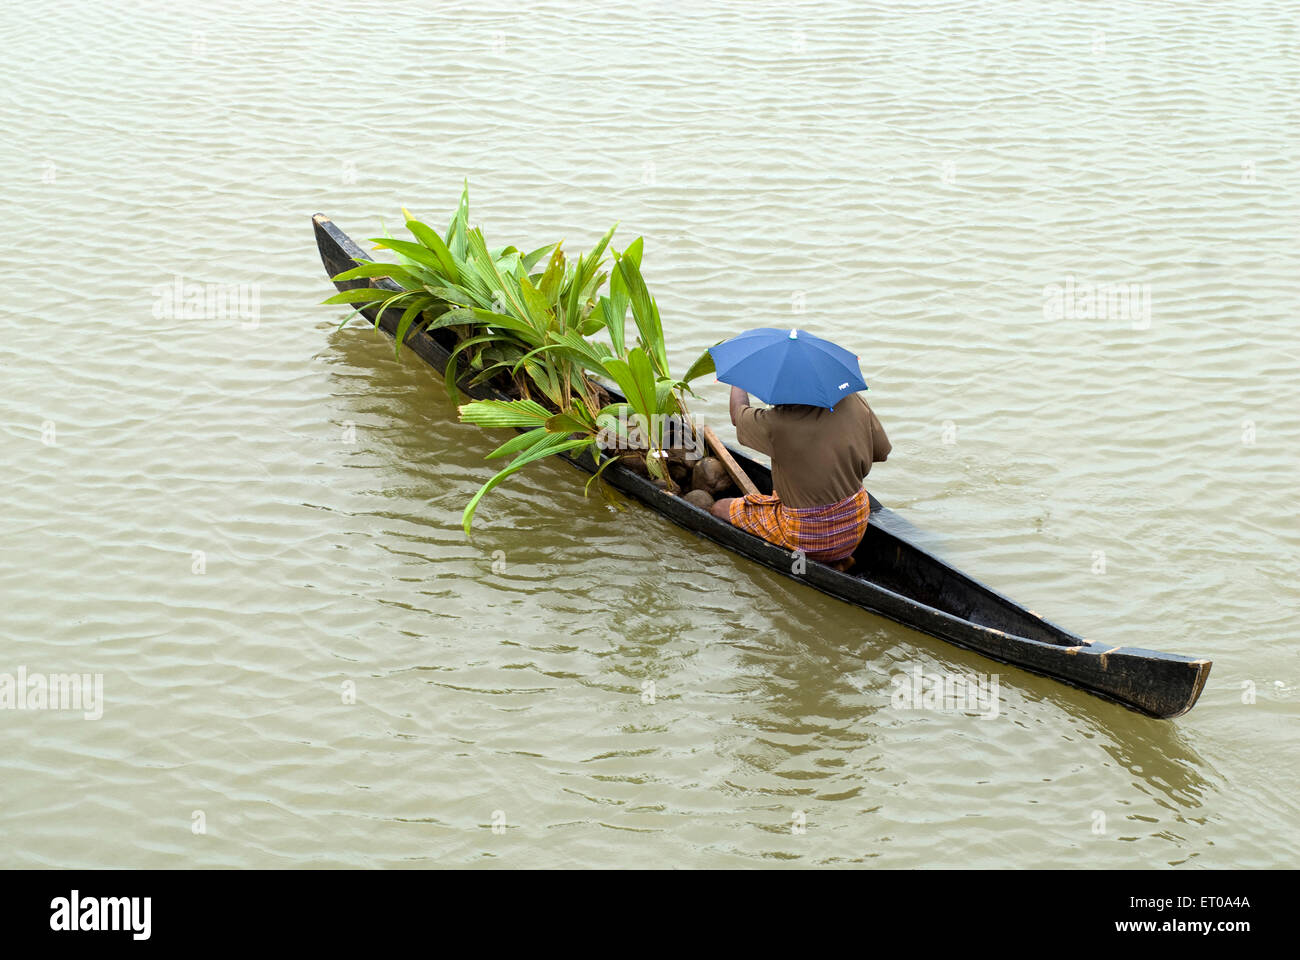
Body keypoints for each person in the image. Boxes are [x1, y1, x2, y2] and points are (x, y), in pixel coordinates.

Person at [709, 385, 890, 566]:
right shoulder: (852, 399)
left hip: (807, 536)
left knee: (719, 508)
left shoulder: (779, 422)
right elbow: (880, 452)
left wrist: (739, 381)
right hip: (857, 521)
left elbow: (738, 416)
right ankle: (839, 558)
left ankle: (814, 558)